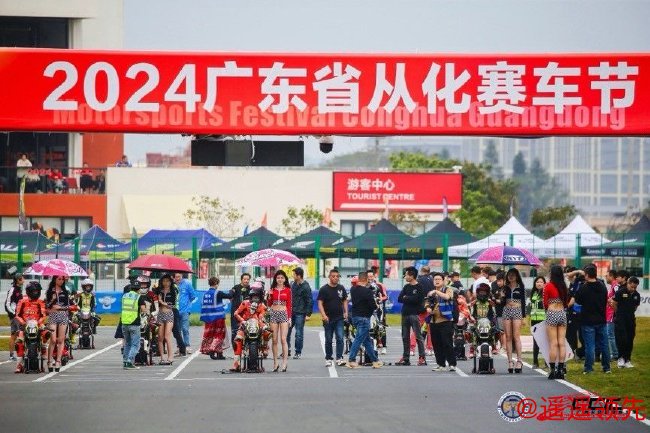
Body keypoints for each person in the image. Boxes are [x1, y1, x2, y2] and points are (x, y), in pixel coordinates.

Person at [574, 265, 610, 374]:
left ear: (587, 275)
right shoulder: (602, 286)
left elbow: (577, 301)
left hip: (587, 321)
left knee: (590, 346)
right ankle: (606, 368)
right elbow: (605, 300)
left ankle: (589, 368)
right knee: (604, 345)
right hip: (601, 320)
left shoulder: (583, 288)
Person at [347, 271, 383, 369]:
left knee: (366, 340)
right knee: (359, 339)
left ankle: (375, 360)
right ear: (366, 279)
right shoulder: (368, 292)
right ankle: (351, 360)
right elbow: (373, 306)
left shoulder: (353, 289)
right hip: (364, 318)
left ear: (359, 279)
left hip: (355, 316)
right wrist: (376, 304)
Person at [230, 286, 269, 372]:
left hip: (258, 324)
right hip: (245, 324)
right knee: (237, 339)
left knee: (267, 332)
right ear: (250, 297)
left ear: (260, 298)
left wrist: (263, 324)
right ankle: (236, 364)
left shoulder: (262, 306)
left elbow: (262, 316)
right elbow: (236, 313)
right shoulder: (245, 303)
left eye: (257, 297)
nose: (255, 299)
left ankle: (265, 347)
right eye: (254, 297)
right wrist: (242, 320)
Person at [13, 282, 47, 373]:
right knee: (19, 342)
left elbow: (43, 315)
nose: (36, 293)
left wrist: (38, 323)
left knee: (46, 334)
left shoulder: (41, 302)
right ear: (28, 291)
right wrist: (23, 323)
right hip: (24, 324)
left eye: (37, 291)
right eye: (34, 291)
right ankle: (19, 364)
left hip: (38, 324)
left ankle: (43, 362)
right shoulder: (22, 301)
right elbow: (17, 315)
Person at [396, 266, 426, 366]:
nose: (405, 277)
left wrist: (406, 297)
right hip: (405, 314)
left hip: (415, 314)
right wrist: (409, 298)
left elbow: (418, 300)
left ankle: (422, 357)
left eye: (406, 275)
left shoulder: (419, 287)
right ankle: (406, 358)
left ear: (412, 276)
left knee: (418, 336)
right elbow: (399, 298)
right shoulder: (406, 287)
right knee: (405, 337)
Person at [317, 269, 348, 367]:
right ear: (329, 277)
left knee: (340, 338)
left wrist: (346, 312)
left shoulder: (341, 288)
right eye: (333, 276)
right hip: (328, 318)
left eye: (337, 276)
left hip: (339, 318)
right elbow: (320, 303)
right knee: (329, 339)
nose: (335, 278)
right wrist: (323, 315)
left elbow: (344, 300)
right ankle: (328, 358)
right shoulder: (324, 289)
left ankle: (339, 358)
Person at [427, 273, 457, 371]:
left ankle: (452, 364)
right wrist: (428, 308)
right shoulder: (430, 292)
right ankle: (441, 364)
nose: (437, 281)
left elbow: (447, 297)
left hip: (446, 320)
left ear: (443, 281)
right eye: (435, 279)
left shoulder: (448, 289)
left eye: (439, 279)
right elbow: (426, 302)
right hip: (434, 321)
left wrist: (436, 291)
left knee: (447, 343)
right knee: (436, 344)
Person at [544, 265, 569, 380]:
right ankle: (561, 370)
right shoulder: (564, 286)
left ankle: (552, 370)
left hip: (552, 312)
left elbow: (545, 302)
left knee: (553, 343)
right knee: (561, 343)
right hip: (562, 313)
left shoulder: (548, 286)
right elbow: (566, 302)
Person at [502, 268, 526, 374]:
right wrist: (502, 296)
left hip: (517, 310)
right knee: (508, 336)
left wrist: (523, 316)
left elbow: (524, 302)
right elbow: (502, 302)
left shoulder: (521, 287)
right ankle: (510, 361)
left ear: (516, 276)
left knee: (516, 336)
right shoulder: (505, 287)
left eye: (513, 275)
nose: (511, 277)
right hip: (507, 310)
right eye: (509, 275)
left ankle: (519, 361)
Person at [613, 276, 641, 368]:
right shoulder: (621, 292)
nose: (633, 289)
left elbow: (635, 307)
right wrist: (619, 313)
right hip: (620, 319)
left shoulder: (637, 295)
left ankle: (627, 359)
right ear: (628, 283)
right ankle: (620, 358)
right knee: (622, 339)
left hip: (631, 320)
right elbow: (614, 303)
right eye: (632, 287)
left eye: (635, 287)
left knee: (630, 339)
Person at [267, 270, 292, 372]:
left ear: (285, 279)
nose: (280, 279)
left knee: (283, 339)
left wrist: (289, 318)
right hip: (273, 313)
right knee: (274, 339)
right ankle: (275, 363)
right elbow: (269, 304)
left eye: (282, 278)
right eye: (278, 278)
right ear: (275, 279)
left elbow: (289, 305)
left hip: (283, 314)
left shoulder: (288, 290)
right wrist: (269, 296)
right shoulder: (272, 289)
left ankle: (284, 363)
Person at [199, 277, 230, 360]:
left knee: (210, 335)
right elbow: (229, 296)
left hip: (208, 318)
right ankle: (212, 350)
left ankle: (219, 353)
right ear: (216, 283)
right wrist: (233, 291)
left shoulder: (205, 294)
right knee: (219, 334)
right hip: (218, 317)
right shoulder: (218, 293)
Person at [45, 275, 71, 372]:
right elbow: (47, 307)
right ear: (55, 280)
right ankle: (49, 361)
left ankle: (58, 361)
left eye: (62, 279)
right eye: (59, 279)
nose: (61, 281)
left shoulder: (65, 292)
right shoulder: (49, 292)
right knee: (53, 339)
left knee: (60, 340)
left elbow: (68, 306)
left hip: (63, 316)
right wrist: (52, 299)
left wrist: (61, 308)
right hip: (53, 316)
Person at [121, 280, 147, 369]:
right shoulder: (139, 297)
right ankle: (129, 362)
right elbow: (143, 310)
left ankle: (125, 362)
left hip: (124, 322)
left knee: (127, 343)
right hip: (134, 323)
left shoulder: (124, 296)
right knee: (135, 344)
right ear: (139, 289)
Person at [288, 267, 312, 359]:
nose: (292, 276)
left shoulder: (306, 286)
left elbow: (309, 300)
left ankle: (298, 352)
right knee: (286, 331)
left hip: (300, 313)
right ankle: (287, 349)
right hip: (291, 312)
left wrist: (308, 314)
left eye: (294, 274)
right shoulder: (292, 284)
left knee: (298, 333)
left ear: (298, 276)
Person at [174, 273, 198, 354]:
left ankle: (187, 346)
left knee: (185, 328)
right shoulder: (173, 285)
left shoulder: (187, 284)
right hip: (175, 310)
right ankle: (179, 346)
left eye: (179, 276)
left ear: (181, 276)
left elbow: (193, 296)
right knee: (177, 330)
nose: (177, 278)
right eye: (176, 277)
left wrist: (187, 306)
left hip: (185, 310)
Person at [156, 274, 177, 365]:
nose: (166, 283)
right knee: (160, 337)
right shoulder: (159, 291)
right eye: (164, 281)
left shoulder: (173, 291)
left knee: (167, 336)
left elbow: (172, 305)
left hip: (169, 314)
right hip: (160, 314)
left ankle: (170, 357)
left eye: (168, 281)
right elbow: (156, 302)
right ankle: (162, 358)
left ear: (171, 282)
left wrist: (162, 302)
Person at [5, 273, 25, 361]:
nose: (24, 279)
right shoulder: (12, 289)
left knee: (16, 335)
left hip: (18, 315)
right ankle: (14, 355)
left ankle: (14, 355)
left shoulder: (19, 289)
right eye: (22, 278)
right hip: (15, 316)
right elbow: (7, 303)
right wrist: (13, 314)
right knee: (18, 335)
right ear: (18, 280)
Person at [367, 269, 388, 354]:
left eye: (371, 276)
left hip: (379, 310)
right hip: (368, 310)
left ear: (374, 276)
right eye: (368, 276)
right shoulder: (364, 286)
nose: (370, 278)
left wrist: (380, 299)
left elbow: (385, 296)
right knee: (370, 328)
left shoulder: (380, 285)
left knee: (381, 327)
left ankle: (384, 346)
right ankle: (372, 347)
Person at [416, 266, 434, 357]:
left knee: (416, 327)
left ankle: (412, 348)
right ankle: (429, 348)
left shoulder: (419, 280)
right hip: (430, 306)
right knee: (430, 328)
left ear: (422, 271)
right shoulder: (432, 280)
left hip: (421, 306)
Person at [228, 273, 251, 346]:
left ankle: (247, 346)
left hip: (247, 314)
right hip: (236, 313)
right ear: (241, 280)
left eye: (248, 279)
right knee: (235, 331)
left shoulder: (251, 289)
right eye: (245, 279)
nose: (246, 281)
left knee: (248, 330)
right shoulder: (236, 287)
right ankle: (235, 347)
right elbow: (230, 295)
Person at [529, 276, 547, 368]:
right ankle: (535, 362)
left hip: (543, 320)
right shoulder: (533, 293)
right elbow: (532, 307)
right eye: (537, 282)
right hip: (534, 320)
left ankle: (547, 362)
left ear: (544, 283)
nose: (539, 284)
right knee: (535, 341)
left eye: (541, 282)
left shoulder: (545, 293)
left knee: (544, 341)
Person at [490, 271, 507, 354]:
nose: (498, 283)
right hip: (498, 312)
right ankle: (502, 346)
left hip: (504, 312)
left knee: (503, 331)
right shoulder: (497, 289)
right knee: (500, 331)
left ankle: (504, 347)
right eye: (497, 281)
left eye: (500, 281)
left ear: (504, 280)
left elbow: (502, 301)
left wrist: (494, 300)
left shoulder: (505, 290)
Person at [604, 269, 618, 361]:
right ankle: (615, 353)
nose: (606, 277)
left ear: (612, 276)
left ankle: (615, 354)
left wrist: (611, 302)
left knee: (610, 335)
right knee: (610, 334)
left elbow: (618, 298)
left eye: (607, 276)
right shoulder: (613, 285)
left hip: (612, 314)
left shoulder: (615, 286)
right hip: (609, 314)